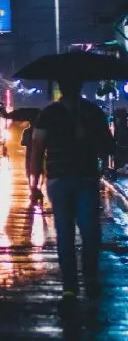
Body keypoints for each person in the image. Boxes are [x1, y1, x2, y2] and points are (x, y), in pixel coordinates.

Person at [30, 77, 114, 302]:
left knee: (71, 233)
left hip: (68, 180)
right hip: (75, 179)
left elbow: (37, 148)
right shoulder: (88, 112)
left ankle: (75, 284)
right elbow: (109, 145)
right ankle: (82, 281)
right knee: (85, 231)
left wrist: (34, 184)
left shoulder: (58, 113)